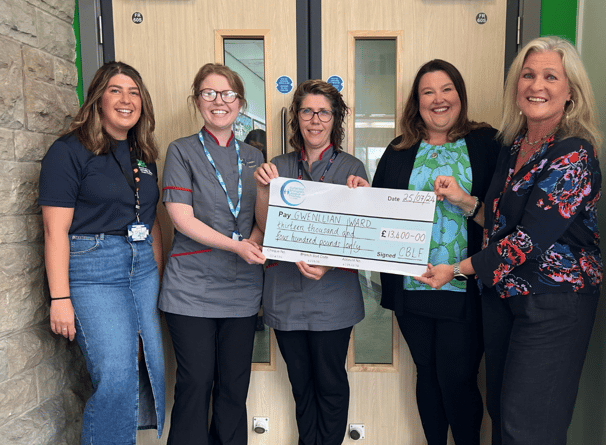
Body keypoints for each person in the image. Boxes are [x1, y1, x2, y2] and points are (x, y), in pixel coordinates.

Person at [416, 37, 603, 445]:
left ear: (570, 92)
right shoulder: (515, 145)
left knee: (527, 427)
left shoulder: (573, 155)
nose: (537, 85)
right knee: (501, 415)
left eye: (551, 76)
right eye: (528, 75)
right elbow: (501, 221)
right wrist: (466, 203)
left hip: (553, 303)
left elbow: (526, 241)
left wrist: (457, 270)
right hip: (503, 299)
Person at [361, 59, 500, 445]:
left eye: (446, 89)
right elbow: (377, 214)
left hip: (464, 283)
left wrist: (464, 199)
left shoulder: (488, 144)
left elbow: (503, 223)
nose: (438, 99)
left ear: (460, 95)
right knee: (427, 372)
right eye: (427, 92)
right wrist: (359, 195)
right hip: (412, 285)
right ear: (416, 102)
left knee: (457, 377)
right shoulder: (400, 149)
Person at [39, 61, 165, 444]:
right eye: (116, 90)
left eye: (134, 92)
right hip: (93, 270)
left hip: (141, 267)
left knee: (143, 364)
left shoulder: (142, 152)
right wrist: (60, 297)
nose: (126, 100)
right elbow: (54, 229)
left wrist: (155, 280)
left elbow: (151, 219)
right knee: (114, 375)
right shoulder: (68, 151)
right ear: (98, 97)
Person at [254, 79, 367, 445]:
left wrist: (361, 201)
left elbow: (361, 234)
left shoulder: (352, 168)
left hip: (332, 297)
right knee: (301, 385)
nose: (314, 120)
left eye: (323, 112)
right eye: (307, 111)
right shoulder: (277, 166)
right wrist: (262, 189)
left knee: (330, 384)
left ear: (335, 119)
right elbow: (264, 227)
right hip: (285, 296)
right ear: (296, 118)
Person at [159, 63, 265, 445]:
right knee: (196, 381)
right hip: (192, 289)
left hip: (241, 289)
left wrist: (252, 239)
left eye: (228, 94)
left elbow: (263, 215)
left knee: (234, 386)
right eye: (208, 93)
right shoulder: (181, 151)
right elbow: (181, 218)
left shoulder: (254, 157)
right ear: (197, 100)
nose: (219, 102)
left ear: (240, 103)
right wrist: (238, 245)